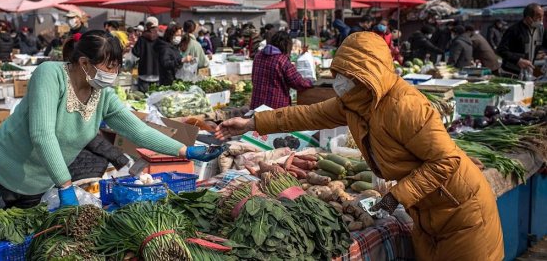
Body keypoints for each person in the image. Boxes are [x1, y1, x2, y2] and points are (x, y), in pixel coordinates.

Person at [216, 31, 504, 261]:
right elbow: (305, 114)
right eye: (340, 74)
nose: (340, 82)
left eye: (347, 76)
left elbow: (446, 161)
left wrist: (395, 196)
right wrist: (252, 123)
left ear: (369, 74)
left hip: (462, 210)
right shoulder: (354, 102)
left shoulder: (405, 106)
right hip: (426, 212)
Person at [0, 31, 223, 236]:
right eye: (109, 67)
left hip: (35, 188)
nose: (114, 74)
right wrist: (65, 185)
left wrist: (184, 150)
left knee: (16, 245)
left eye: (117, 67)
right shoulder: (50, 75)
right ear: (84, 62)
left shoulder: (102, 94)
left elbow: (137, 129)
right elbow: (42, 134)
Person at [250, 31, 313, 109]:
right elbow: (297, 82)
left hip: (257, 105)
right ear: (286, 46)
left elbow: (253, 78)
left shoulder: (258, 55)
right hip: (276, 106)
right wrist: (310, 82)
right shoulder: (282, 60)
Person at [496, 3, 545, 77]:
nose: (541, 20)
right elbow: (501, 50)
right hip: (511, 73)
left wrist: (541, 54)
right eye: (539, 17)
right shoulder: (514, 30)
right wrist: (518, 60)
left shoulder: (540, 30)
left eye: (542, 16)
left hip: (528, 72)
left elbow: (542, 46)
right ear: (529, 18)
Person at [132, 17, 161, 92]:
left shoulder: (142, 38)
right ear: (157, 26)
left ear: (147, 26)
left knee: (142, 100)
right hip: (157, 74)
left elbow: (136, 52)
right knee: (154, 100)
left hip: (144, 73)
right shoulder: (160, 39)